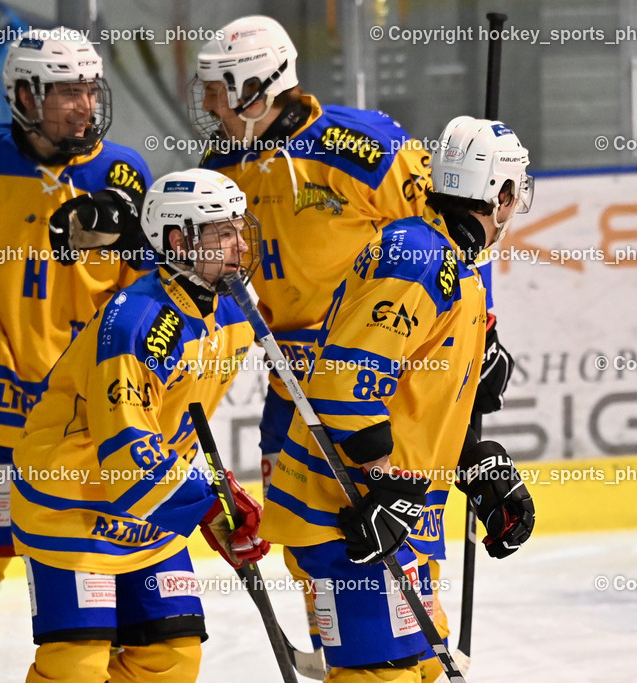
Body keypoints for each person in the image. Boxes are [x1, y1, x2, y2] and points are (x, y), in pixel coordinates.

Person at [258, 116, 537, 682]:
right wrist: (383, 485)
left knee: (423, 669)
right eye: (516, 189)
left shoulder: (448, 261)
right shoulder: (419, 256)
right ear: (502, 195)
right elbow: (344, 382)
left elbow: (415, 396)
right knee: (383, 676)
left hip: (392, 512)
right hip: (350, 513)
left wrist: (471, 463)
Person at [189, 13, 432, 654]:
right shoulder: (222, 164)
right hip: (287, 385)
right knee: (303, 541)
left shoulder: (363, 145)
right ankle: (336, 653)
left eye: (218, 88)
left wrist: (479, 334)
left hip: (368, 388)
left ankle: (409, 659)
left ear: (256, 90)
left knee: (387, 537)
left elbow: (446, 243)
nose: (209, 102)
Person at [0, 28, 153, 682]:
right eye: (65, 92)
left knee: (91, 577)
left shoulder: (122, 174)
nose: (84, 105)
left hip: (79, 425)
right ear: (24, 95)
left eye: (90, 88)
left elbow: (148, 297)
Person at [11, 168, 269, 683]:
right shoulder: (138, 322)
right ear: (179, 241)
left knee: (171, 660)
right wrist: (213, 499)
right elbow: (129, 452)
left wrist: (216, 504)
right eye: (222, 233)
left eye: (241, 228)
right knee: (75, 668)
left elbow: (170, 430)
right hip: (72, 500)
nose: (240, 244)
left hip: (145, 508)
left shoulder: (235, 310)